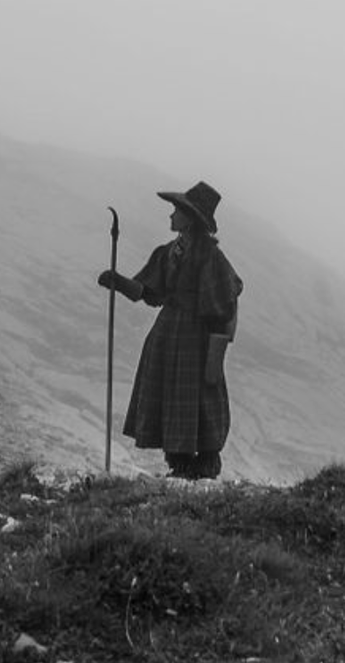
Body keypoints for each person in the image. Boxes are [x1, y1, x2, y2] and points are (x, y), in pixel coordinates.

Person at [99, 181, 242, 479]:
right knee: (170, 393)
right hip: (167, 333)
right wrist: (119, 282)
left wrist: (216, 351)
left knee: (197, 395)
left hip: (196, 337)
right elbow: (149, 292)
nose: (171, 216)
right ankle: (179, 463)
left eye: (176, 211)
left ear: (190, 218)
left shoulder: (210, 257)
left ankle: (203, 464)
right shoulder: (168, 252)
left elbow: (226, 300)